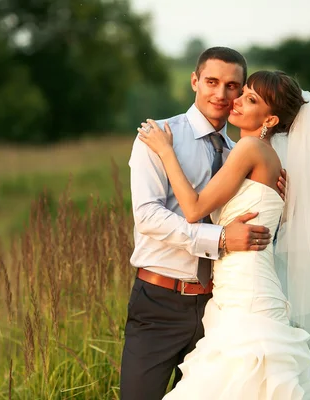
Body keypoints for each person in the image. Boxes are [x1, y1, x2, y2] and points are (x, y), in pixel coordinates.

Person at [137, 70, 310, 399]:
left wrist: (165, 151)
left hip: (248, 293)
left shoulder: (249, 150)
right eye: (242, 93)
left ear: (269, 119)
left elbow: (193, 209)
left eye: (251, 99)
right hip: (238, 289)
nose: (237, 101)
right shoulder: (259, 155)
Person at [120, 47, 287, 400]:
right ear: (195, 80)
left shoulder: (241, 151)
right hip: (160, 301)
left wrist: (276, 202)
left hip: (218, 305)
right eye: (211, 82)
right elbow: (148, 217)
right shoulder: (159, 137)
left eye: (233, 86)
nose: (221, 94)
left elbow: (257, 229)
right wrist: (222, 238)